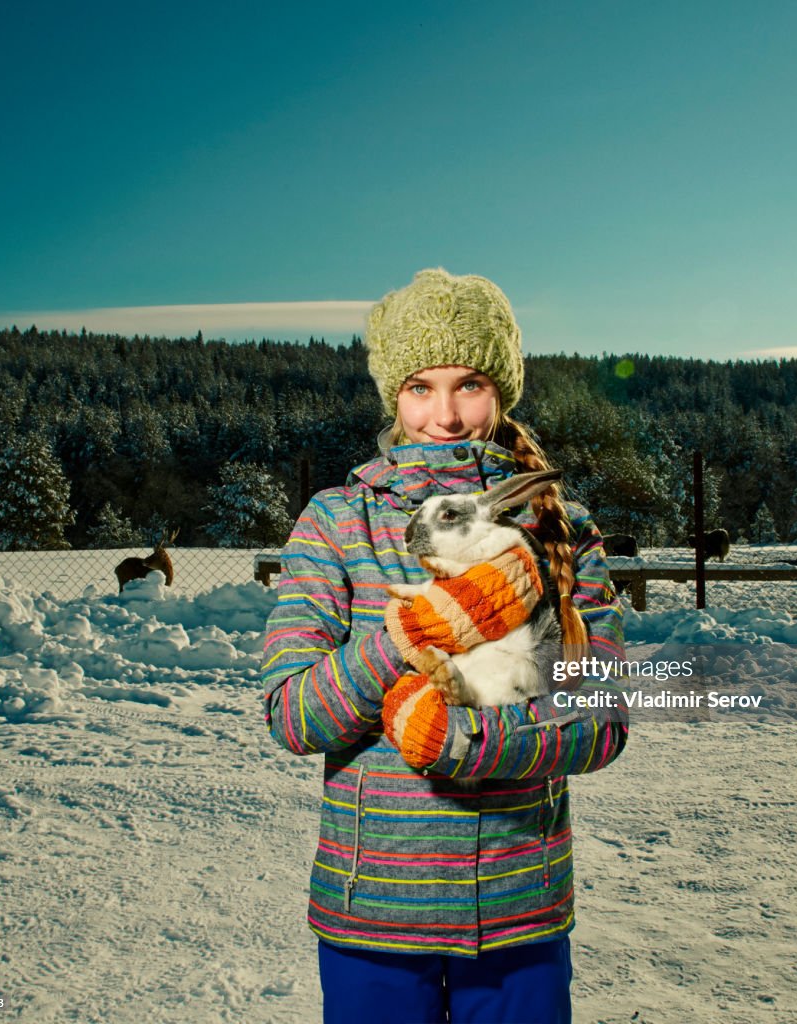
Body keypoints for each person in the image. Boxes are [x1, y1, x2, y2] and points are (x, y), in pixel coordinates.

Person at [261, 268, 628, 1024]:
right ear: (393, 396)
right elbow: (294, 716)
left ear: (503, 393)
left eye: (470, 385)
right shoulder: (338, 521)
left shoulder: (560, 526)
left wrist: (459, 736)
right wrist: (405, 636)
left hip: (519, 907)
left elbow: (600, 717)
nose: (447, 414)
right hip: (375, 913)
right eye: (421, 387)